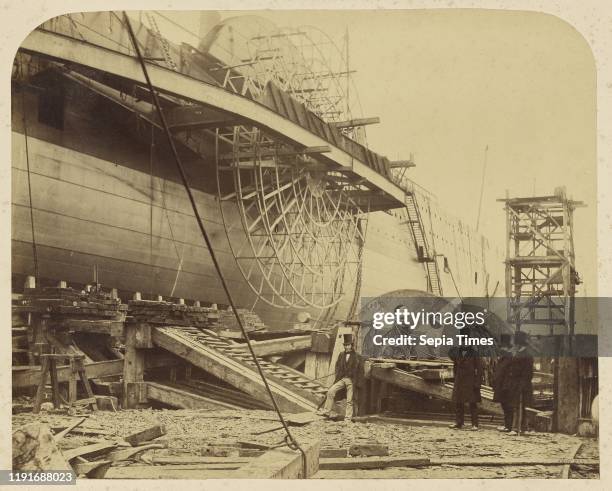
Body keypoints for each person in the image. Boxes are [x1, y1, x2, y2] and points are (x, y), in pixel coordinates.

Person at [317, 333, 359, 421]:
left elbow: (357, 369)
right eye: (346, 345)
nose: (347, 347)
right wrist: (338, 374)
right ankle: (326, 411)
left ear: (351, 345)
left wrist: (352, 377)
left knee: (349, 400)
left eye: (349, 345)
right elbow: (337, 366)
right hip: (342, 379)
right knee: (330, 391)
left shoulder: (356, 356)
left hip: (351, 381)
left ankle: (348, 418)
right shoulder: (341, 354)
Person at [448, 338, 483, 431]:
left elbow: (480, 370)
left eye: (466, 341)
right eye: (462, 341)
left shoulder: (475, 353)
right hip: (460, 381)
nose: (464, 343)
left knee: (472, 403)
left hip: (471, 382)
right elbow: (454, 363)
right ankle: (459, 423)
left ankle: (475, 424)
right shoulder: (457, 352)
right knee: (458, 402)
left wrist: (477, 383)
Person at [505, 330, 534, 435]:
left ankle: (516, 428)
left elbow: (528, 373)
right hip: (516, 384)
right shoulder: (518, 353)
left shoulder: (526, 355)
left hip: (522, 385)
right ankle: (522, 427)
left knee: (519, 406)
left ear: (518, 342)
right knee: (517, 406)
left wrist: (522, 384)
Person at [492, 334, 514, 432]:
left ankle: (509, 426)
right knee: (505, 406)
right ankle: (507, 425)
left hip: (506, 387)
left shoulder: (509, 358)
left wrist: (505, 386)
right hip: (501, 386)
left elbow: (509, 373)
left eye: (502, 347)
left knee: (508, 406)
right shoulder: (503, 357)